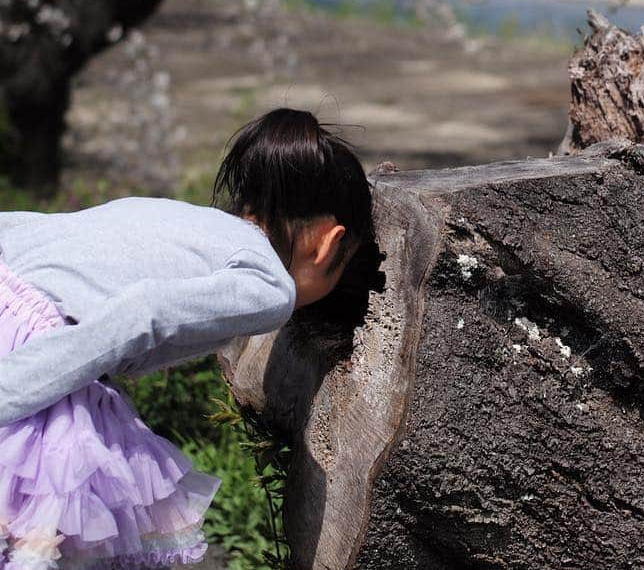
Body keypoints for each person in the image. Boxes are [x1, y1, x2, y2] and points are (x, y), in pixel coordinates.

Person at [0, 108, 376, 568]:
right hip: (38, 350)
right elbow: (144, 312)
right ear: (330, 244)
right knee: (45, 534)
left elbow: (58, 232)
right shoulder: (273, 288)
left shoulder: (189, 219)